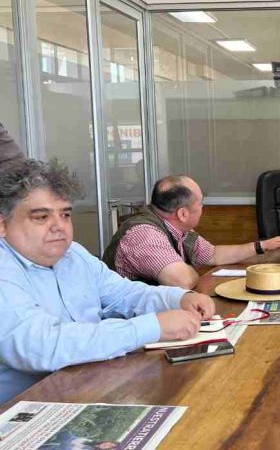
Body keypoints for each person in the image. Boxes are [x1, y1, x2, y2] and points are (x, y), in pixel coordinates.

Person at [0, 159, 215, 404]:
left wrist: (179, 298)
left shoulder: (74, 255)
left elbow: (124, 294)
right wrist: (151, 327)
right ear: (3, 225)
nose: (59, 226)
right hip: (21, 414)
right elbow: (42, 346)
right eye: (41, 217)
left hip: (85, 388)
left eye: (65, 214)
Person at [103, 175, 280, 289]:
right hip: (130, 326)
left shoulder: (177, 228)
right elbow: (183, 281)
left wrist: (261, 246)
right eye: (201, 203)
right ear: (183, 213)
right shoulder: (144, 235)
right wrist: (195, 271)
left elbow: (212, 254)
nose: (203, 207)